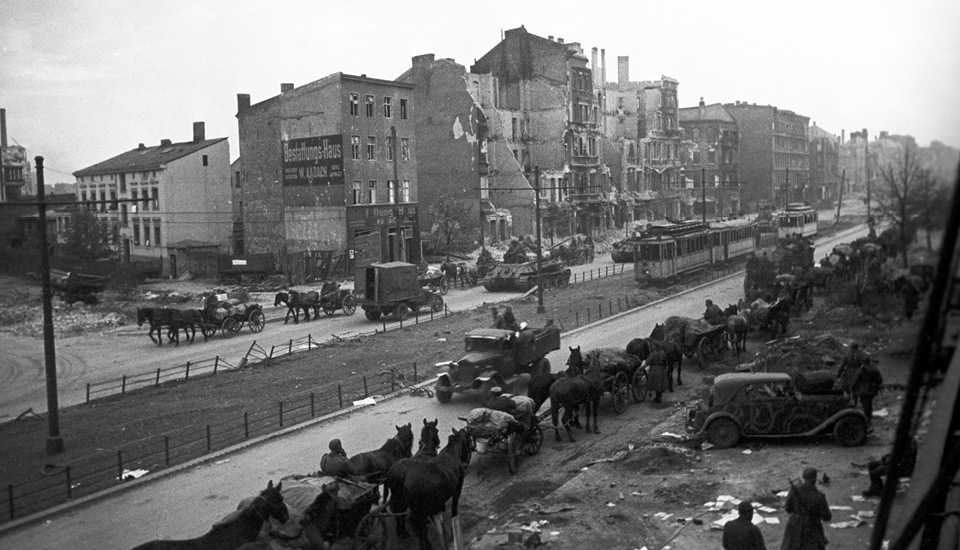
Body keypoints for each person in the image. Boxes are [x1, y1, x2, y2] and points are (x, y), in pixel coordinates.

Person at [781, 467, 831, 550]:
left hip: (794, 527)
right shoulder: (819, 497)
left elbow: (788, 509)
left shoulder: (794, 491)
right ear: (814, 478)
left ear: (804, 477)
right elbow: (827, 517)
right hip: (813, 529)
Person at [852, 356, 883, 425]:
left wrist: (853, 388)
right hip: (872, 390)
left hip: (863, 390)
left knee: (865, 404)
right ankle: (868, 417)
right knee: (868, 403)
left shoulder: (861, 370)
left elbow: (855, 380)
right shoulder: (875, 369)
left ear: (863, 362)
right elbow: (879, 380)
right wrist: (878, 387)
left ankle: (867, 419)